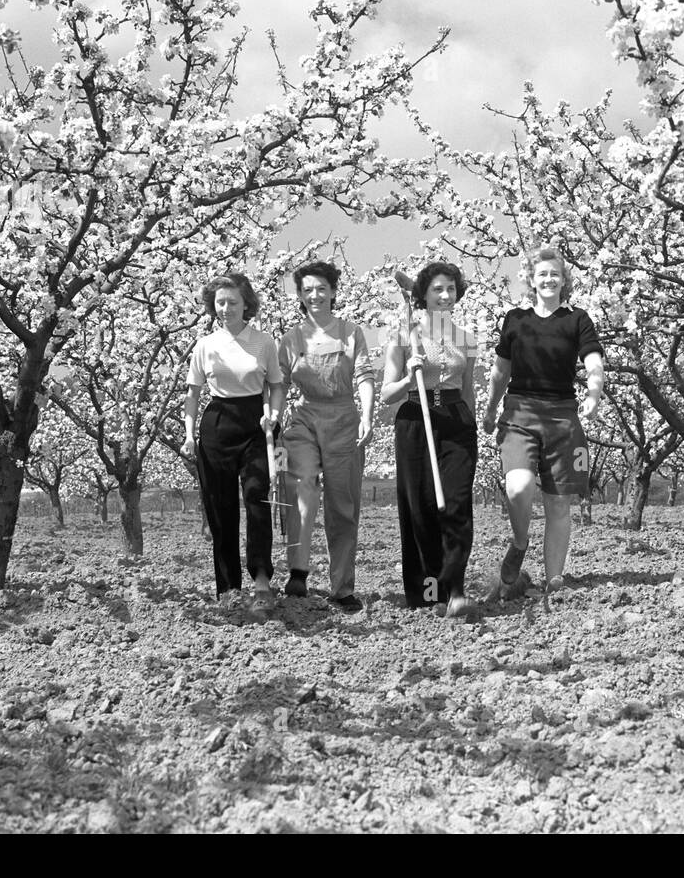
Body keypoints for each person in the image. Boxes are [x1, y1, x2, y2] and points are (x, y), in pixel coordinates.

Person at [481, 247, 605, 594]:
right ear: (531, 281)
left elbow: (593, 362)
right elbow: (500, 371)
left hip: (563, 416)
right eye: (542, 274)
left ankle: (554, 579)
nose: (548, 280)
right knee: (518, 488)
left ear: (564, 280)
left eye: (555, 274)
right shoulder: (515, 319)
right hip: (520, 412)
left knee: (557, 501)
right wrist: (491, 410)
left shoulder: (577, 319)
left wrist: (593, 394)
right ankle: (520, 544)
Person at [182, 272, 285, 617]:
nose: (225, 308)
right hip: (217, 424)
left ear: (246, 305)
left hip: (256, 422)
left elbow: (276, 385)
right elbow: (194, 392)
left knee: (258, 496)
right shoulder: (206, 345)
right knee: (220, 510)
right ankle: (228, 589)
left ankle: (261, 581)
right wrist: (188, 434)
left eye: (232, 302)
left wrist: (274, 413)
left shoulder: (264, 342)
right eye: (220, 302)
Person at [381, 261, 478, 617]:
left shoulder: (466, 339)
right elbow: (387, 394)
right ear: (423, 295)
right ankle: (428, 592)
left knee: (456, 503)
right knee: (420, 507)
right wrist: (410, 376)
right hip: (414, 420)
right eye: (437, 288)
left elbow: (467, 391)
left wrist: (472, 428)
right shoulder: (403, 335)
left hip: (455, 421)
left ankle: (455, 588)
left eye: (450, 288)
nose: (444, 295)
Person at [278, 261, 375, 612]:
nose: (314, 295)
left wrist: (366, 414)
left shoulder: (351, 333)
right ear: (300, 296)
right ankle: (298, 572)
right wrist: (271, 416)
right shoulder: (291, 339)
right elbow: (278, 384)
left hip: (344, 419)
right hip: (303, 418)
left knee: (343, 504)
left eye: (321, 288)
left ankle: (342, 586)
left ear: (333, 292)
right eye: (307, 290)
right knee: (300, 484)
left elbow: (364, 375)